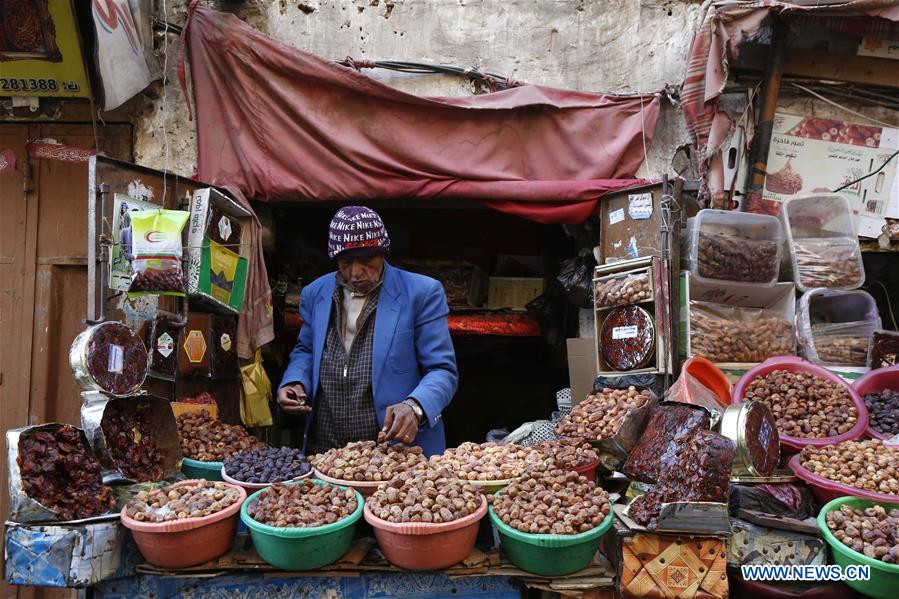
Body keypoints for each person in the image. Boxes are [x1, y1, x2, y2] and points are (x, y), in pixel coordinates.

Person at [277, 206, 458, 456]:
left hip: (395, 451)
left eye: (366, 261)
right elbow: (306, 350)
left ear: (383, 253)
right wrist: (295, 381)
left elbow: (442, 370)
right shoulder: (315, 293)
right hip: (326, 448)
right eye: (345, 262)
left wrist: (415, 407)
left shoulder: (421, 293)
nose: (355, 272)